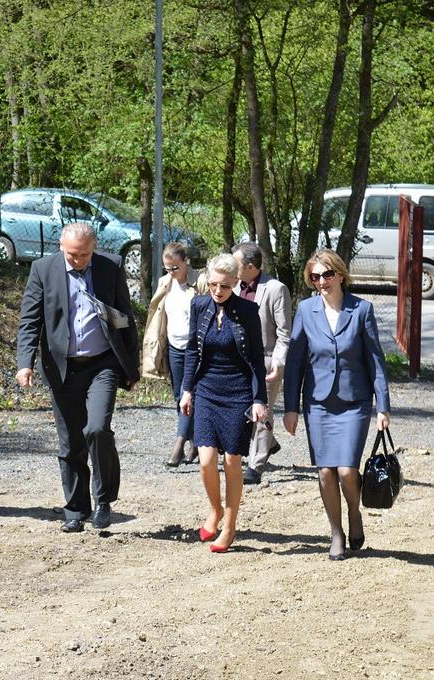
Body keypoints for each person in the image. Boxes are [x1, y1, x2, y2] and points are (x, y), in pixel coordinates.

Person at [16, 222, 139, 533]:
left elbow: (124, 318)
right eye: (72, 254)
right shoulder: (43, 270)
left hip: (102, 363)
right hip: (62, 367)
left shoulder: (110, 267)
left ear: (94, 247)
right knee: (70, 441)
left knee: (97, 428)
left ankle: (103, 500)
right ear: (61, 246)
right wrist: (25, 363)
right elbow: (30, 320)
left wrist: (131, 367)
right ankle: (75, 509)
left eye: (84, 254)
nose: (78, 260)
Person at [283, 249, 390, 561]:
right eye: (315, 276)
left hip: (354, 402)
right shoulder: (306, 310)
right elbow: (294, 362)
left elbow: (375, 361)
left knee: (346, 470)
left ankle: (354, 512)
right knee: (325, 472)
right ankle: (336, 532)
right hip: (318, 403)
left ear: (341, 275)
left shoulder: (362, 310)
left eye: (327, 274)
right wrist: (290, 407)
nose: (321, 281)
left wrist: (383, 406)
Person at [179, 253, 268, 553]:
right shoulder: (199, 305)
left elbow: (257, 359)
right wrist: (187, 390)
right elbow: (192, 350)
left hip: (238, 392)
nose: (218, 291)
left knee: (231, 460)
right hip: (206, 389)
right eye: (214, 285)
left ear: (236, 283)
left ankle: (229, 525)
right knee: (205, 460)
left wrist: (259, 399)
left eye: (225, 286)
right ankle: (215, 509)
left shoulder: (248, 311)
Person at [231, 242, 291, 484]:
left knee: (261, 410)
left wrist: (278, 361)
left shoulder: (276, 289)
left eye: (235, 263)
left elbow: (284, 333)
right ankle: (269, 442)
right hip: (238, 360)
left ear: (250, 266)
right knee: (241, 408)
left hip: (266, 360)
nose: (231, 267)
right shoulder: (232, 286)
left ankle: (255, 466)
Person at [141, 242, 202, 467]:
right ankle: (194, 443)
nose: (172, 272)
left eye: (175, 267)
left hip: (196, 349)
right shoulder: (164, 283)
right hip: (174, 347)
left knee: (189, 393)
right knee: (179, 396)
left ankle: (179, 444)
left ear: (186, 262)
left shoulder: (200, 283)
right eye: (167, 268)